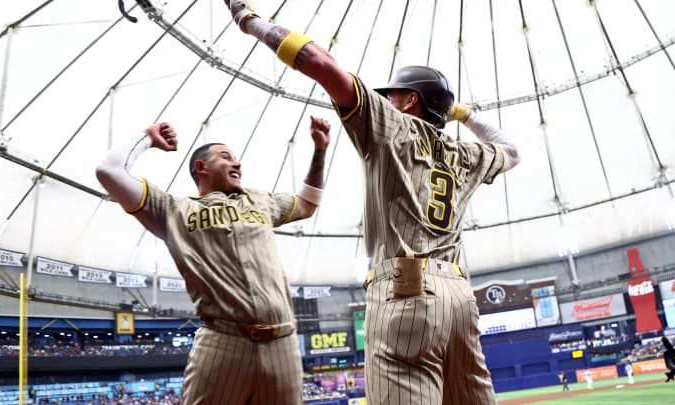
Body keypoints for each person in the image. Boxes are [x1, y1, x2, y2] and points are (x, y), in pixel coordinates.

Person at [224, 1, 521, 404]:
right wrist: (463, 115)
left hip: (405, 292)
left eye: (395, 94)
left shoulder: (390, 123)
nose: (388, 99)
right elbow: (511, 150)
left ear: (411, 101)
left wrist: (249, 21)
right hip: (460, 299)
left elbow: (318, 61)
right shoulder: (466, 154)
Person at [95, 116, 331, 404]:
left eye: (236, 159)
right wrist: (147, 137)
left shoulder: (260, 200)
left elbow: (308, 203)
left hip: (283, 341)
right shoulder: (173, 211)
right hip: (222, 341)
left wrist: (320, 149)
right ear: (201, 167)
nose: (238, 163)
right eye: (226, 157)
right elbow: (108, 170)